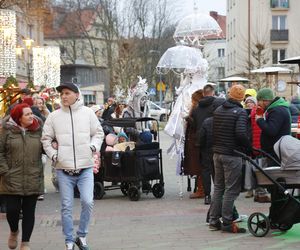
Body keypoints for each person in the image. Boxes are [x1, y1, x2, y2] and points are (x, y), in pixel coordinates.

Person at [41, 83, 103, 250]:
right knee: (66, 206)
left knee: (88, 202)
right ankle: (69, 240)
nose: (64, 96)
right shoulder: (54, 116)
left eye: (67, 93)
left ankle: (81, 236)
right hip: (63, 169)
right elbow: (45, 139)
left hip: (86, 168)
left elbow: (98, 133)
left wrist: (93, 147)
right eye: (62, 94)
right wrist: (54, 156)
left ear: (77, 95)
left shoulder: (88, 113)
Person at [0, 103, 44, 250]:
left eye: (31, 113)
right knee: (12, 211)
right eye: (27, 114)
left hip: (33, 176)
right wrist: (5, 171)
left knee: (29, 212)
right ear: (19, 118)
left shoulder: (38, 130)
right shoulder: (6, 131)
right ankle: (14, 231)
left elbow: (46, 147)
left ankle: (25, 242)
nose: (31, 116)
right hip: (11, 177)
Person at [209, 84, 251, 233]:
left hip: (217, 154)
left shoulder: (219, 110)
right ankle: (227, 222)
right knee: (231, 190)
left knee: (219, 188)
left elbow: (213, 131)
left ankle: (214, 221)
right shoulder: (240, 112)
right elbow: (240, 133)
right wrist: (248, 147)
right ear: (242, 97)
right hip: (232, 155)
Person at [192, 84, 225, 201]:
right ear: (213, 92)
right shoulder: (218, 105)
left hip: (203, 143)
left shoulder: (195, 110)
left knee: (205, 170)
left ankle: (207, 195)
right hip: (218, 141)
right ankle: (219, 194)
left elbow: (195, 127)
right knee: (217, 170)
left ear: (203, 93)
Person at [255, 88, 291, 165]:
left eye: (259, 101)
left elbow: (271, 131)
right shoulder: (276, 109)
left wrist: (259, 120)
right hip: (276, 151)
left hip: (276, 153)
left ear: (265, 100)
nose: (258, 104)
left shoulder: (277, 111)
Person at [184, 89, 205, 199]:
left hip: (196, 142)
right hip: (194, 141)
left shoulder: (198, 109)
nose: (191, 102)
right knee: (199, 166)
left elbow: (197, 125)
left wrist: (188, 118)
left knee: (199, 166)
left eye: (192, 99)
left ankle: (201, 190)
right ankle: (200, 188)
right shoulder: (197, 108)